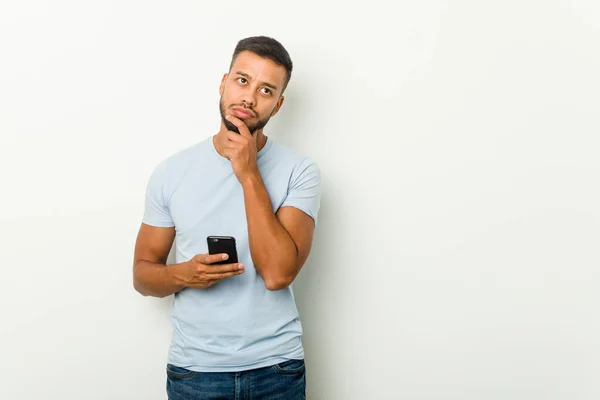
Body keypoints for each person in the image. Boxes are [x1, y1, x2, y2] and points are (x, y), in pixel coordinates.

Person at [133, 36, 321, 400]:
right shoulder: (172, 172)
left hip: (276, 368)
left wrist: (249, 173)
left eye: (266, 90)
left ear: (278, 105)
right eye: (242, 80)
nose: (249, 97)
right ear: (223, 83)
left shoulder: (300, 172)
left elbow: (278, 274)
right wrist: (182, 274)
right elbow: (143, 275)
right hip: (195, 372)